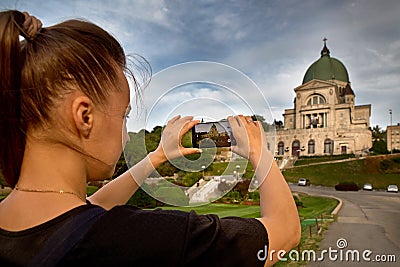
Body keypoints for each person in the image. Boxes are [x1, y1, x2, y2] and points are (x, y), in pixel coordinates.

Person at [0, 10, 300, 266]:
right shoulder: (139, 239)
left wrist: (157, 156)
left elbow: (84, 212)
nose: (127, 136)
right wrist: (260, 151)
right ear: (84, 117)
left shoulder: (21, 223)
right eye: (124, 116)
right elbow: (284, 231)